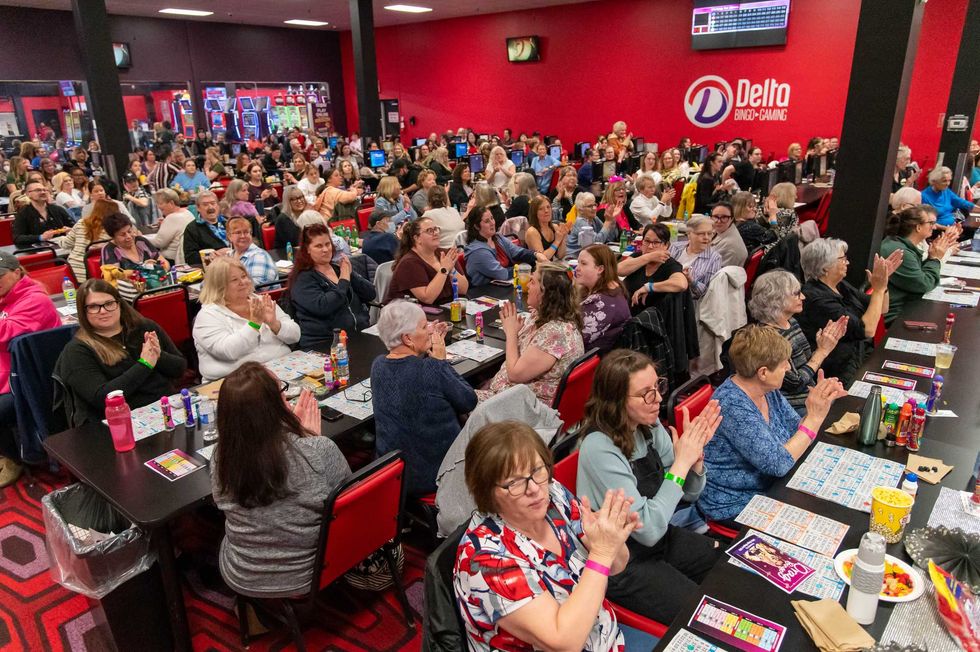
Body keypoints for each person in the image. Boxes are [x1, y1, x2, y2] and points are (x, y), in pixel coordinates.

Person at [454, 421, 638, 652]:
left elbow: (616, 566)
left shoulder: (553, 495)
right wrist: (601, 553)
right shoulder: (485, 559)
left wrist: (611, 538)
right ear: (487, 491)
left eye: (536, 470)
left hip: (606, 637)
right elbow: (565, 642)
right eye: (514, 482)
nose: (534, 488)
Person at [577, 350, 722, 623]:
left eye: (658, 387)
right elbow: (649, 530)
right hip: (626, 560)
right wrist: (681, 464)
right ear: (616, 400)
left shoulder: (650, 426)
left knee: (729, 567)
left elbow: (687, 496)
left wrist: (694, 463)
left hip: (661, 538)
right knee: (705, 616)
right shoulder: (599, 448)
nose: (658, 399)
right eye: (646, 393)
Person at [211, 361, 350, 598]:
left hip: (243, 575)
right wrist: (307, 438)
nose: (289, 400)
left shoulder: (219, 457)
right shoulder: (316, 450)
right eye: (283, 394)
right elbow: (350, 498)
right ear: (275, 407)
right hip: (309, 573)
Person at [699, 325, 847, 524]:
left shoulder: (766, 390)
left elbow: (797, 432)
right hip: (735, 503)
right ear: (763, 372)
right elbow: (778, 464)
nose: (788, 367)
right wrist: (814, 418)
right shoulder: (732, 405)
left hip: (772, 486)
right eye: (783, 363)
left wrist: (820, 403)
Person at [371, 301, 477, 496]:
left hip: (395, 474)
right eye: (424, 326)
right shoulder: (432, 369)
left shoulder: (377, 365)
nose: (430, 329)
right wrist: (441, 362)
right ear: (408, 338)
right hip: (439, 473)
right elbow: (468, 400)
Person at [56, 279, 186, 426]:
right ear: (83, 311)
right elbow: (103, 398)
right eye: (93, 307)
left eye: (109, 303)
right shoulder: (77, 351)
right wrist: (144, 364)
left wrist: (158, 355)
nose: (103, 310)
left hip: (165, 409)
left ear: (119, 304)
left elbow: (180, 369)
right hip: (116, 424)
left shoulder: (144, 327)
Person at [798, 239, 903, 384]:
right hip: (835, 374)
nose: (847, 263)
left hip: (856, 359)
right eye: (842, 259)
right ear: (825, 267)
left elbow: (881, 308)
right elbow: (867, 330)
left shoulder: (839, 285)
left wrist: (884, 282)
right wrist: (878, 289)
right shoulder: (816, 299)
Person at [477, 263, 584, 405]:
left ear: (545, 293)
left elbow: (515, 374)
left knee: (446, 396)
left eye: (533, 281)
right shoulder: (542, 316)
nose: (527, 285)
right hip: (508, 394)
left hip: (523, 408)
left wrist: (511, 333)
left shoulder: (556, 333)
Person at [747, 270, 847, 413]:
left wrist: (823, 344)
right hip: (792, 407)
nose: (803, 296)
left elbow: (805, 364)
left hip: (809, 393)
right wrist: (823, 351)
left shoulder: (791, 322)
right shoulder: (769, 338)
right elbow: (795, 383)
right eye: (796, 293)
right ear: (777, 299)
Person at [0, 252, 60, 485]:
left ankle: (14, 458)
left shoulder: (36, 299)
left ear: (17, 273)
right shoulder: (6, 296)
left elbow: (7, 332)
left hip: (27, 381)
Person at [194, 257, 300, 382]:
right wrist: (254, 324)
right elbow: (228, 351)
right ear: (219, 286)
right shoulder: (207, 315)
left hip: (280, 371)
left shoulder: (259, 300)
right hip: (235, 382)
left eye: (244, 276)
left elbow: (295, 335)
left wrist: (274, 324)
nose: (243, 282)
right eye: (234, 280)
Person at [289, 223, 375, 348]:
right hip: (326, 343)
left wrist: (351, 275)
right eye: (318, 246)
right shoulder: (302, 279)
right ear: (307, 249)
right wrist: (344, 279)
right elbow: (324, 307)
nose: (325, 249)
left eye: (327, 244)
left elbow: (370, 294)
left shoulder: (339, 268)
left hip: (358, 334)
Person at [879, 205, 957, 323]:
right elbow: (924, 284)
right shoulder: (900, 252)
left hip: (905, 306)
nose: (934, 227)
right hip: (896, 315)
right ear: (918, 227)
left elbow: (918, 274)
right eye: (930, 223)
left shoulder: (900, 244)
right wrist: (934, 259)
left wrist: (932, 256)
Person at [385, 217, 468, 305]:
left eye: (436, 229)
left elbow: (463, 290)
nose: (435, 233)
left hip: (444, 307)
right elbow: (427, 298)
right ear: (417, 238)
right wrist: (444, 269)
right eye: (429, 230)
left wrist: (452, 270)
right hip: (409, 314)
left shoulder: (445, 254)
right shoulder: (409, 263)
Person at [463, 205, 543, 286]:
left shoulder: (498, 238)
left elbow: (518, 252)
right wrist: (524, 268)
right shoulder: (478, 252)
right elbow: (502, 274)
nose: (492, 223)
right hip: (483, 293)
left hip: (503, 288)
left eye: (492, 218)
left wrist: (536, 255)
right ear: (476, 226)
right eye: (487, 221)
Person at [619, 222, 689, 314]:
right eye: (647, 241)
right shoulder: (637, 257)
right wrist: (649, 257)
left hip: (653, 320)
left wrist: (649, 287)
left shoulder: (670, 264)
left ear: (666, 245)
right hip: (627, 314)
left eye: (656, 242)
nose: (650, 246)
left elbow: (681, 284)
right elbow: (619, 270)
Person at [575, 245, 630, 353]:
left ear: (600, 269)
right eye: (578, 263)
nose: (577, 268)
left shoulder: (600, 303)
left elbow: (573, 340)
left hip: (591, 362)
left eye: (584, 263)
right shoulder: (613, 288)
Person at [667, 215, 721, 300]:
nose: (706, 237)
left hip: (687, 302)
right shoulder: (675, 247)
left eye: (710, 233)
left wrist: (691, 280)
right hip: (665, 292)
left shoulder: (714, 258)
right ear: (689, 234)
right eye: (701, 233)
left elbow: (708, 293)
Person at [63, 198, 114, 281]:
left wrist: (61, 238)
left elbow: (66, 244)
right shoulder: (113, 229)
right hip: (102, 271)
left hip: (74, 272)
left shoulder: (81, 223)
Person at [12, 179, 73, 247]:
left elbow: (73, 226)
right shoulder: (23, 213)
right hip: (36, 250)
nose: (43, 192)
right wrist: (40, 237)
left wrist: (71, 230)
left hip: (63, 246)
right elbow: (18, 238)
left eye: (44, 190)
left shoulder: (58, 209)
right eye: (38, 190)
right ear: (28, 194)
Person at [146, 189, 195, 264]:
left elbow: (159, 243)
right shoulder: (187, 212)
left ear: (171, 203)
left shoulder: (172, 218)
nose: (158, 207)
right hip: (187, 258)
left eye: (161, 203)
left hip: (171, 260)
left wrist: (141, 237)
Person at [183, 191, 230, 265]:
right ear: (198, 208)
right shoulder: (192, 228)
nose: (210, 207)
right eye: (205, 204)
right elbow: (190, 258)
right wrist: (215, 254)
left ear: (218, 205)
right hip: (212, 267)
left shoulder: (228, 222)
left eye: (213, 203)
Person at [227, 215, 277, 285]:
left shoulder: (259, 256)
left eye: (246, 232)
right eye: (238, 232)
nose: (243, 236)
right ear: (229, 236)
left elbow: (257, 286)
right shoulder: (229, 255)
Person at [566, 192, 618, 258]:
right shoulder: (580, 222)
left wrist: (612, 219)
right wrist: (607, 222)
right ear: (580, 210)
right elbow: (595, 243)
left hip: (588, 257)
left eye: (594, 205)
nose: (594, 208)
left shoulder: (594, 218)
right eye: (590, 206)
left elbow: (609, 237)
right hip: (573, 259)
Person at [525, 196, 569, 262]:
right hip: (537, 269)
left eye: (548, 207)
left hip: (551, 267)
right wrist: (557, 241)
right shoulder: (532, 232)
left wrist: (564, 236)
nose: (546, 211)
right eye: (541, 209)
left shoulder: (555, 227)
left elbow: (560, 256)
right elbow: (543, 260)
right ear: (534, 213)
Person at [709, 201, 747, 267]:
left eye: (724, 217)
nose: (719, 221)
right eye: (715, 217)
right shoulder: (723, 230)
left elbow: (716, 274)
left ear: (732, 219)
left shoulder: (730, 246)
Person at [761, 182, 800, 247]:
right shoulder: (790, 214)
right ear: (787, 197)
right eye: (794, 195)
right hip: (778, 251)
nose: (796, 197)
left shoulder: (762, 209)